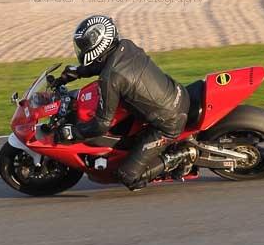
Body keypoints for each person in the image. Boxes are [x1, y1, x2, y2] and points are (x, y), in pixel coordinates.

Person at [56, 14, 191, 190]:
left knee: (127, 176)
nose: (81, 50)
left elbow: (101, 124)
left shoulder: (110, 79)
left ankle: (179, 155)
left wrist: (74, 132)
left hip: (169, 123)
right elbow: (106, 64)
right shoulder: (125, 46)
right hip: (178, 93)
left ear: (98, 45)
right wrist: (78, 71)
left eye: (83, 46)